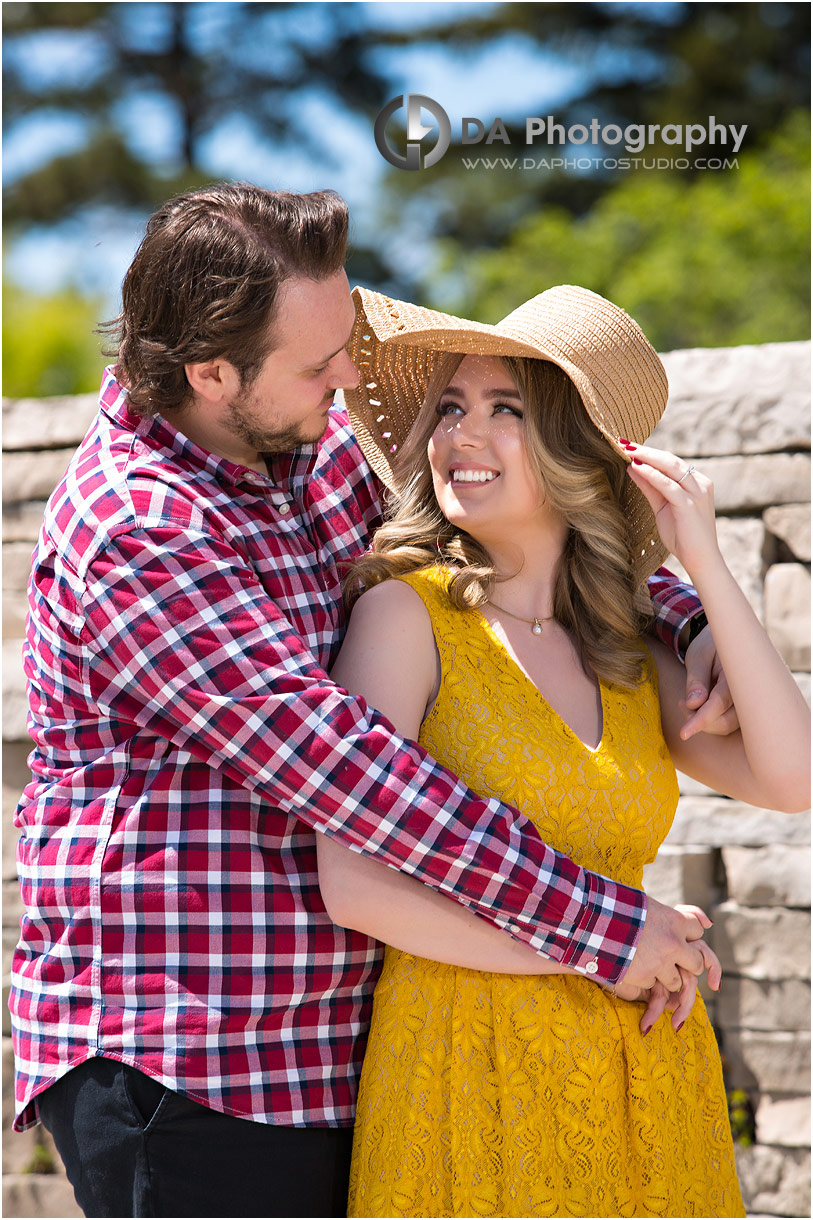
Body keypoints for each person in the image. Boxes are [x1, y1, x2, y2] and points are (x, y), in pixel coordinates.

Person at [12, 184, 731, 1219]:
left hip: (332, 1051)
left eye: (347, 341)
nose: (350, 377)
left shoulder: (307, 449)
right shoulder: (137, 533)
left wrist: (682, 618)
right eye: (320, 363)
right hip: (189, 1066)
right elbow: (356, 774)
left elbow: (505, 533)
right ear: (213, 373)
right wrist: (605, 927)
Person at [318, 284, 810, 1218]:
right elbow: (355, 886)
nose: (466, 433)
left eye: (507, 410)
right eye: (451, 408)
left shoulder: (621, 643)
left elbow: (792, 778)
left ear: (577, 451)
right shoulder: (402, 615)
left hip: (652, 1073)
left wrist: (701, 566)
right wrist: (597, 949)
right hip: (470, 1069)